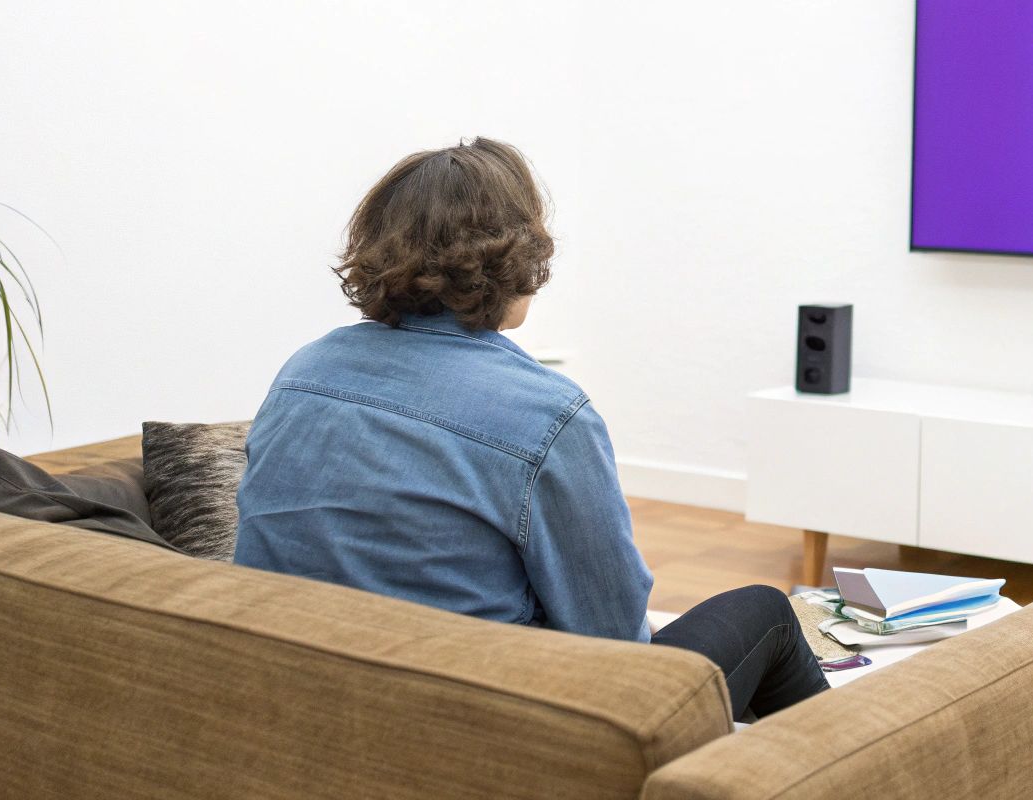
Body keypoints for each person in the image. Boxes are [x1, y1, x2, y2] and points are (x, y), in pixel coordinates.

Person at [234, 137, 827, 720]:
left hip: (311, 704)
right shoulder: (547, 415)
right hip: (500, 729)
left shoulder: (302, 372)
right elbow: (614, 642)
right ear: (514, 257)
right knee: (768, 612)